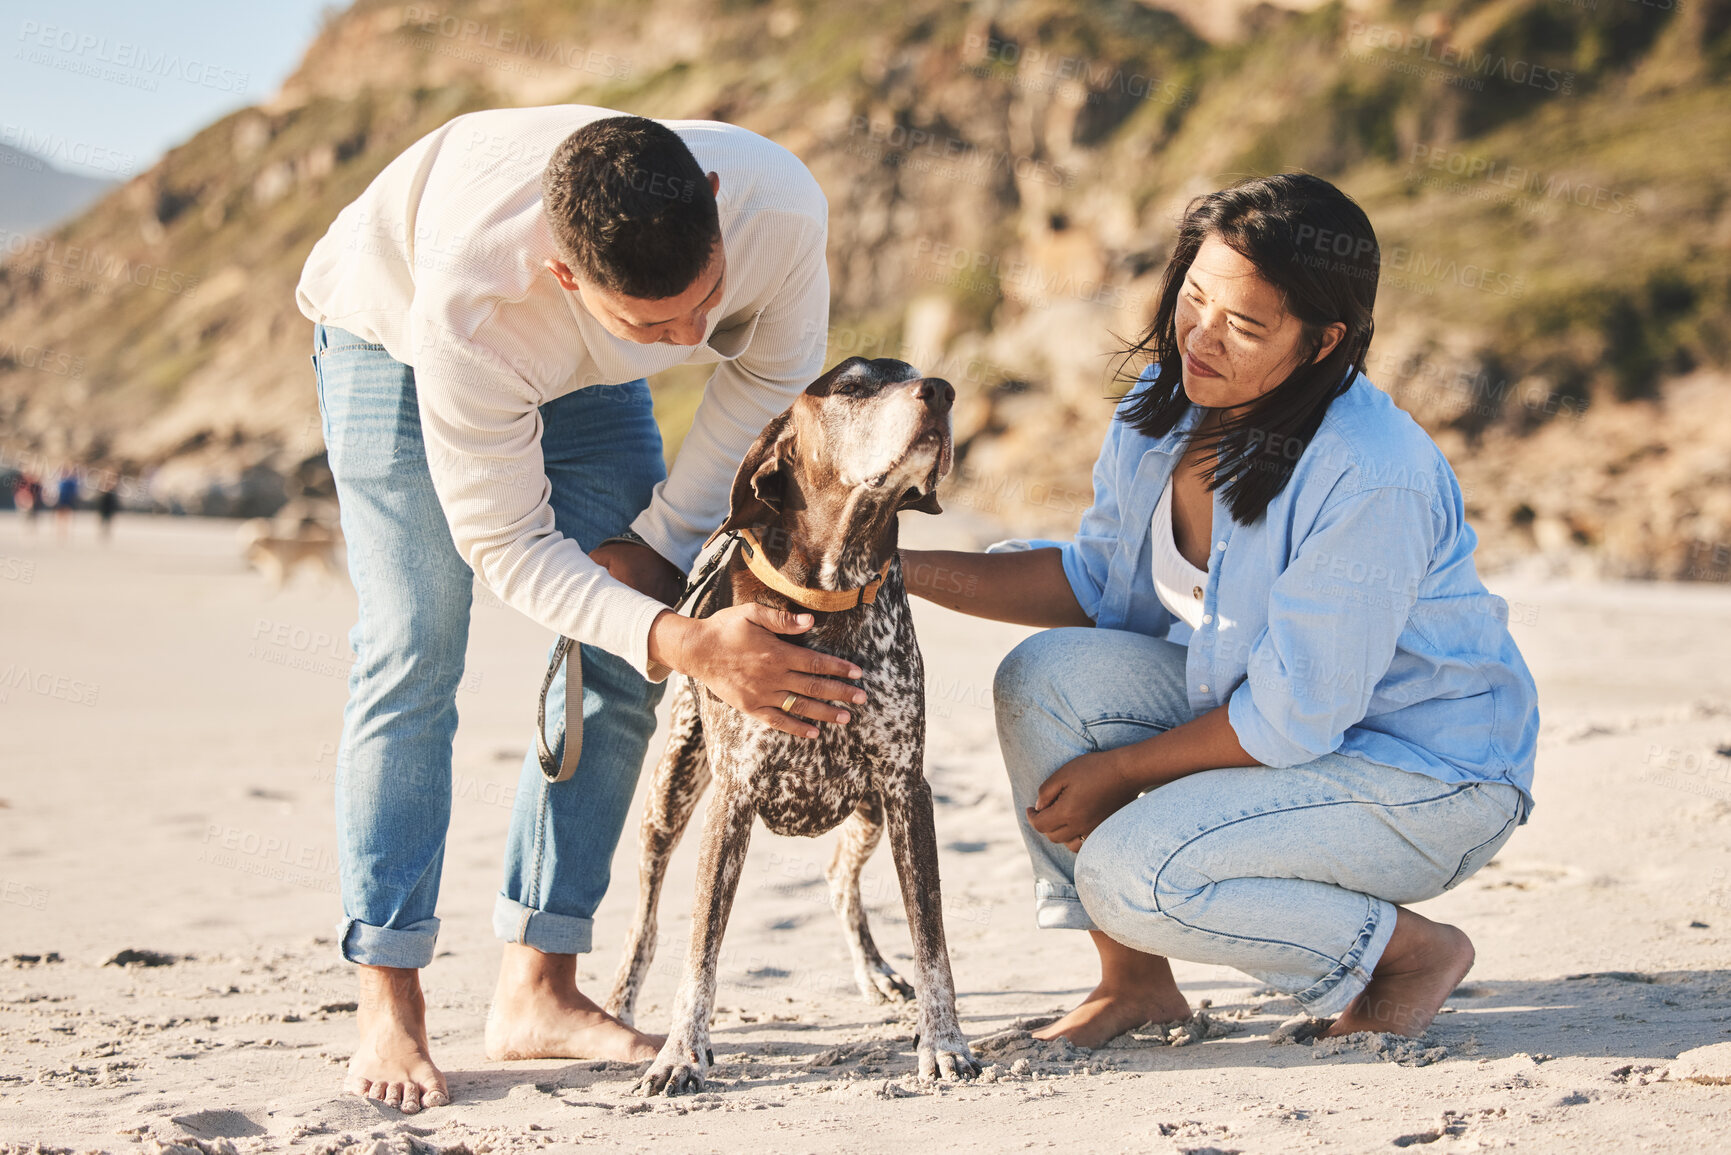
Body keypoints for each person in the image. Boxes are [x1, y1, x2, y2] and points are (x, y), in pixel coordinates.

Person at [295, 109, 861, 1114]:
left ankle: (538, 986)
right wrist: (688, 640)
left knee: (625, 642)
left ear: (717, 209)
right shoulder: (470, 308)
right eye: (659, 326)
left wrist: (657, 555)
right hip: (390, 332)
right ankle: (389, 992)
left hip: (589, 376)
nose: (689, 339)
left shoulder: (778, 209)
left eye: (706, 302)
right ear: (564, 274)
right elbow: (509, 546)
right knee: (412, 650)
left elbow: (767, 385)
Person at [902, 173, 1538, 1049]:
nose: (1200, 337)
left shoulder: (1369, 471)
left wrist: (1122, 773)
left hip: (1429, 777)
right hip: (1291, 729)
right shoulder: (1160, 411)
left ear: (1323, 341)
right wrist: (889, 568)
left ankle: (1409, 954)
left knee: (1134, 874)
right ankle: (1133, 984)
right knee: (1046, 676)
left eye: (1243, 325)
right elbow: (1096, 589)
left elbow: (1292, 718)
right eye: (1192, 299)